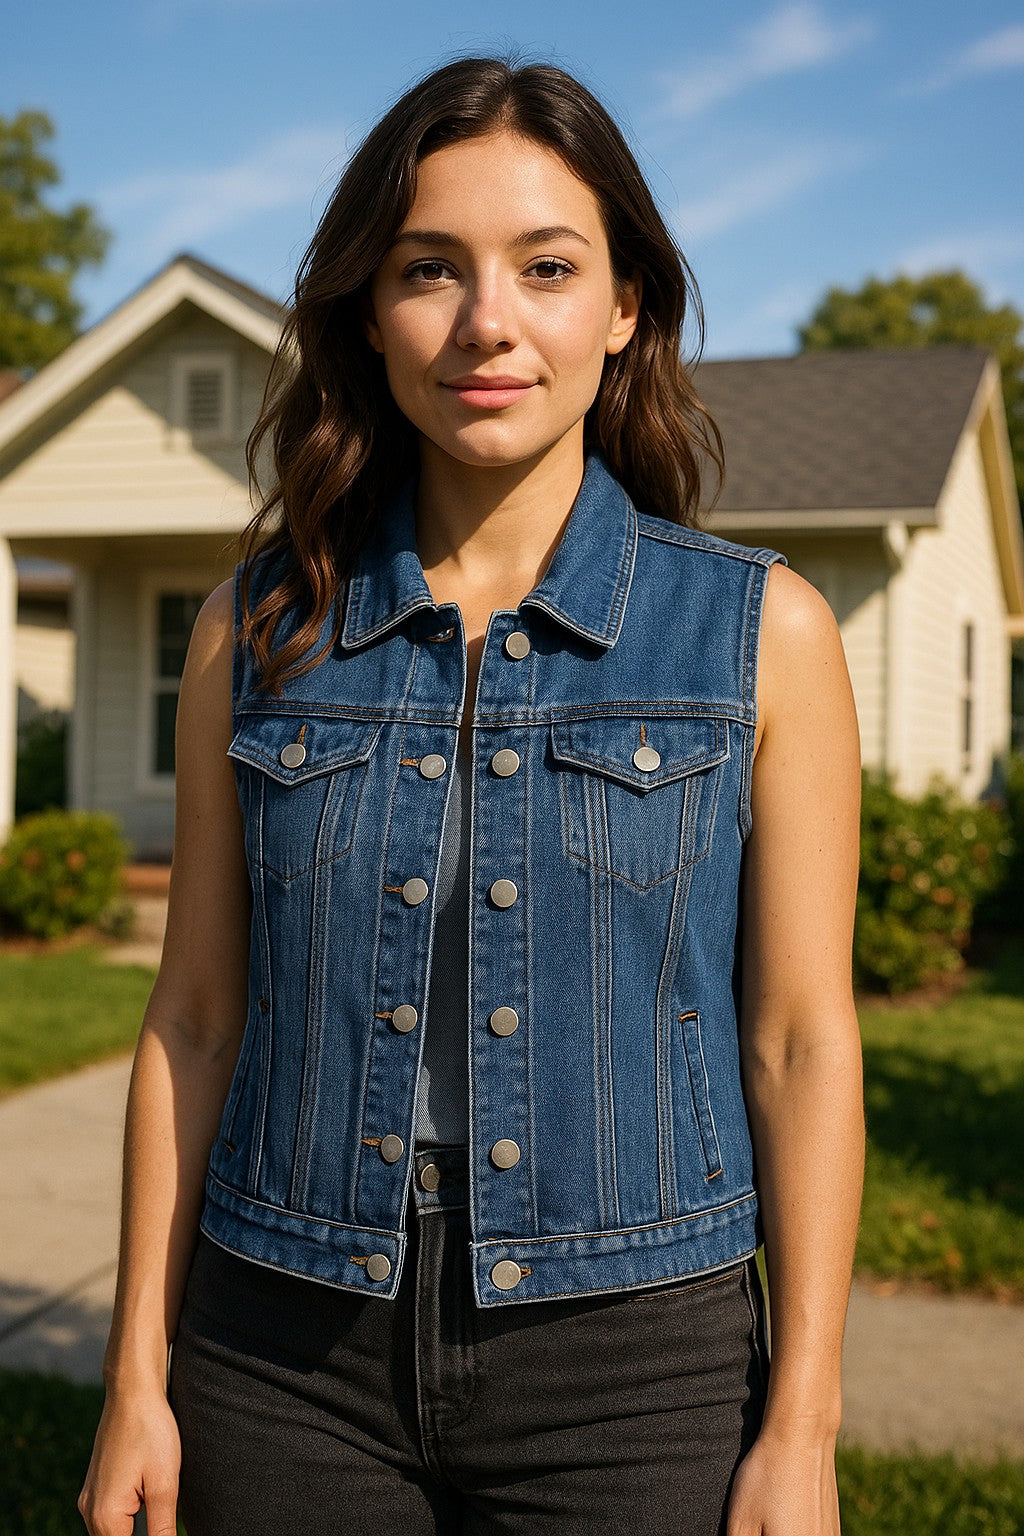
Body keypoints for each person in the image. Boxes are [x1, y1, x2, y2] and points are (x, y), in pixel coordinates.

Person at [79, 54, 864, 1536]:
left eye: (547, 267)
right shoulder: (253, 633)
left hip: (635, 1363)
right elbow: (190, 1019)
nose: (487, 322)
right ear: (369, 317)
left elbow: (802, 1042)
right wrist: (137, 1374)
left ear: (623, 307)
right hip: (280, 1350)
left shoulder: (764, 636)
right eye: (430, 270)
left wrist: (804, 1420)